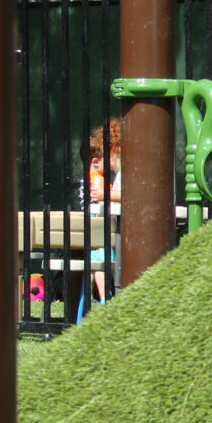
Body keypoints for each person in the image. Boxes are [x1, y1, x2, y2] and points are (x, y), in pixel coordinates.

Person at [84, 119, 123, 304]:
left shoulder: (126, 170)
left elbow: (131, 194)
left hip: (118, 230)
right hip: (113, 226)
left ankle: (103, 299)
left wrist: (104, 194)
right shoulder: (118, 173)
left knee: (99, 253)